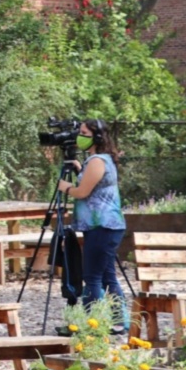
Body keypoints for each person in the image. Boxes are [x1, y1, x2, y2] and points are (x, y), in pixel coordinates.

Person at [58, 118, 128, 334]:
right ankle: (119, 322)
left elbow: (83, 192)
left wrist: (66, 187)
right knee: (107, 276)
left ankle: (94, 324)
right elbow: (93, 183)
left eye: (84, 133)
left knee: (92, 277)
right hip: (104, 226)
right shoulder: (98, 160)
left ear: (96, 137)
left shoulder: (97, 161)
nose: (80, 137)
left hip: (103, 226)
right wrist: (79, 169)